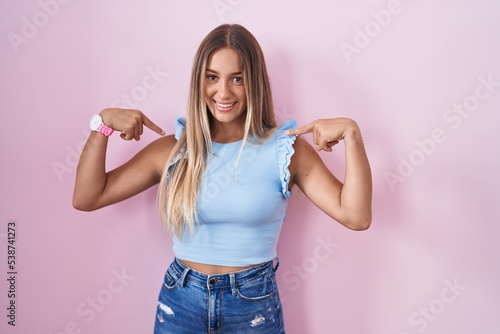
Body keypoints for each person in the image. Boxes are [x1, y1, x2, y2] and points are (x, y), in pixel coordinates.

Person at [73, 23, 372, 334]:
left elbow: (356, 216)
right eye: (212, 77)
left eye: (237, 79)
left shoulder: (286, 151)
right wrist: (102, 126)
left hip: (253, 303)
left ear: (254, 82)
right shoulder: (173, 151)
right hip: (181, 301)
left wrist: (353, 135)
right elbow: (87, 197)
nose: (223, 92)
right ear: (199, 81)